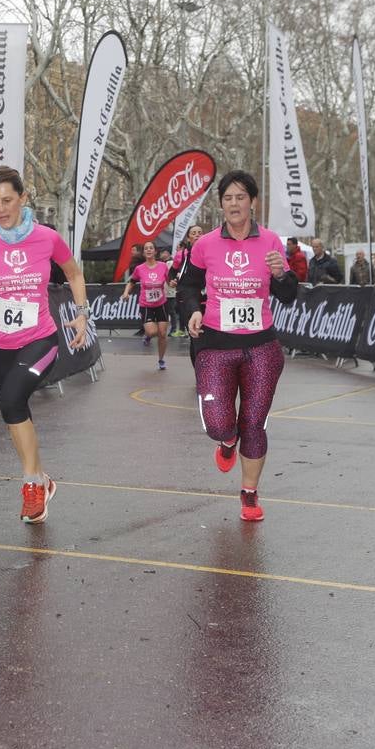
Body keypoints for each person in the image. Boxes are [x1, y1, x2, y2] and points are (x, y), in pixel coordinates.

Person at [0, 166, 89, 524]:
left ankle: (31, 484)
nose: (1, 209)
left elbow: (74, 273)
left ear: (23, 198)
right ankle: (42, 480)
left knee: (14, 398)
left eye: (7, 200)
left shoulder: (47, 237)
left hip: (40, 339)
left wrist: (81, 314)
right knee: (12, 412)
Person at [178, 170, 298, 523]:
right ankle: (226, 440)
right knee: (219, 423)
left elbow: (289, 295)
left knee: (254, 422)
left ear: (252, 202)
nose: (234, 204)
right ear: (221, 204)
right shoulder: (205, 245)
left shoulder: (272, 243)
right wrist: (193, 311)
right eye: (228, 198)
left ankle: (249, 493)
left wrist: (281, 275)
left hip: (261, 346)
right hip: (215, 344)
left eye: (240, 197)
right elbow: (186, 287)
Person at [122, 241, 172, 370]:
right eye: (146, 249)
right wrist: (126, 292)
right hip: (146, 304)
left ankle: (161, 359)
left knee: (162, 333)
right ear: (144, 253)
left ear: (155, 251)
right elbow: (132, 282)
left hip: (161, 304)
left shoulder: (163, 266)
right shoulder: (140, 269)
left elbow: (169, 281)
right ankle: (148, 336)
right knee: (151, 331)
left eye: (151, 248)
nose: (149, 250)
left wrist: (173, 283)